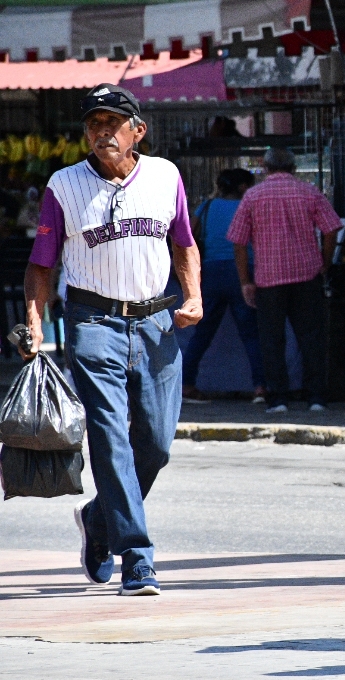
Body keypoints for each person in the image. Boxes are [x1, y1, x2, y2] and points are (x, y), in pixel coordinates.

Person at [22, 83, 202, 596]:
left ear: (137, 131)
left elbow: (184, 243)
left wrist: (194, 296)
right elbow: (41, 266)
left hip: (156, 322)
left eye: (112, 123)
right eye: (93, 125)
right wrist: (36, 324)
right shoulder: (64, 186)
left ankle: (100, 520)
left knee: (156, 444)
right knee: (109, 436)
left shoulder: (165, 176)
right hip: (92, 321)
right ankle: (138, 556)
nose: (102, 132)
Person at [226, 147, 342, 413]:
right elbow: (331, 228)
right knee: (312, 337)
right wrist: (324, 262)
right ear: (294, 168)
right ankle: (316, 398)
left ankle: (278, 398)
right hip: (307, 275)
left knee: (272, 340)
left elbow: (239, 242)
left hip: (268, 279)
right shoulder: (309, 192)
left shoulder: (253, 196)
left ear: (265, 168)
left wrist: (245, 280)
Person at [181, 168, 266, 404]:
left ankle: (186, 383)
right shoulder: (248, 206)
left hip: (211, 272)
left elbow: (188, 235)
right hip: (242, 270)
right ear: (242, 187)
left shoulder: (206, 207)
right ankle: (260, 386)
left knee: (203, 332)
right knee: (251, 333)